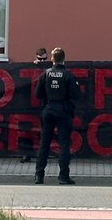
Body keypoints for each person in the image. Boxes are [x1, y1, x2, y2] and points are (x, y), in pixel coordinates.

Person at [35, 47, 81, 185]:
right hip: (63, 111)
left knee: (44, 144)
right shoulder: (68, 75)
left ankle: (39, 176)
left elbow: (38, 94)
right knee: (64, 145)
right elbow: (76, 95)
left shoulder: (45, 74)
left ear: (52, 59)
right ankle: (63, 176)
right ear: (64, 59)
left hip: (48, 109)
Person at [21, 46, 49, 163]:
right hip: (32, 106)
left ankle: (43, 154)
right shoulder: (32, 68)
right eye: (40, 59)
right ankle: (28, 154)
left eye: (44, 59)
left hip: (46, 104)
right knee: (29, 131)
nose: (42, 62)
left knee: (46, 130)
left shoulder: (51, 68)